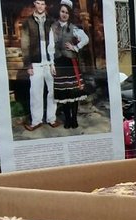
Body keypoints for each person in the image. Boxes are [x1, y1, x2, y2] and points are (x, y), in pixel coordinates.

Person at [47, 0, 89, 129]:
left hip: (71, 63)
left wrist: (75, 47)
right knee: (64, 93)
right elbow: (50, 47)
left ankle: (74, 119)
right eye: (62, 11)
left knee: (73, 93)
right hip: (59, 63)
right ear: (59, 12)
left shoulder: (74, 28)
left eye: (67, 12)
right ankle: (68, 119)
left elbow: (86, 39)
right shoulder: (53, 27)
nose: (64, 14)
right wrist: (51, 64)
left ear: (69, 14)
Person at [20, 0, 58, 131]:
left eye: (43, 3)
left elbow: (55, 43)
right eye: (38, 3)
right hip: (35, 62)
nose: (40, 6)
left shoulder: (51, 21)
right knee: (36, 92)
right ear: (34, 5)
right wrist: (28, 65)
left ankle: (51, 118)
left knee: (53, 91)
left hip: (49, 61)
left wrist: (54, 62)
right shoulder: (27, 22)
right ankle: (36, 121)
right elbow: (24, 44)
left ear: (45, 6)